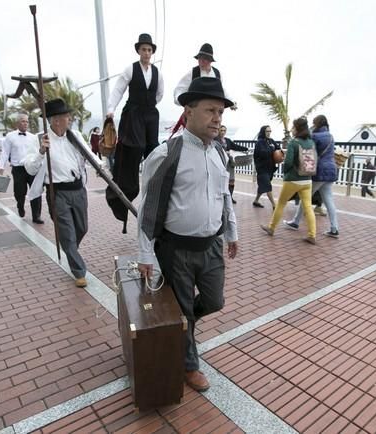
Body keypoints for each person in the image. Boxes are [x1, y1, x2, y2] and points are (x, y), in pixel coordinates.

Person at [137, 77, 238, 392]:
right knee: (182, 308)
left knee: (214, 300)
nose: (217, 118)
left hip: (211, 247)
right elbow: (148, 207)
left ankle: (181, 324)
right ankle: (189, 365)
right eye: (210, 110)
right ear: (189, 111)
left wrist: (232, 233)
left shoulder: (220, 154)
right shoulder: (168, 152)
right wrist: (145, 253)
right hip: (176, 250)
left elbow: (224, 198)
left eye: (220, 112)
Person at [25, 99, 97, 288]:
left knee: (82, 228)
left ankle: (69, 246)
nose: (70, 119)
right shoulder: (40, 138)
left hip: (78, 190)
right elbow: (30, 169)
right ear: (56, 120)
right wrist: (41, 152)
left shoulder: (76, 135)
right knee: (67, 232)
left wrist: (102, 167)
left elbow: (90, 155)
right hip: (58, 193)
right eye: (67, 116)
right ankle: (78, 271)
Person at [106, 33, 164, 229]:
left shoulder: (157, 73)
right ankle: (124, 191)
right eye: (143, 49)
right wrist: (110, 110)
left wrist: (149, 105)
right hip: (133, 114)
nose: (146, 53)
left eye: (149, 50)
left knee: (152, 151)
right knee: (133, 147)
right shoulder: (130, 69)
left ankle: (152, 188)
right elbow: (118, 90)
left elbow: (159, 94)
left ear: (152, 52)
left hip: (150, 115)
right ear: (138, 51)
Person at [260, 117, 317, 244]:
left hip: (293, 180)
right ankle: (312, 234)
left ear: (297, 128)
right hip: (307, 180)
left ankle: (271, 228)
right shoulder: (311, 142)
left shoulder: (294, 142)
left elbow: (289, 162)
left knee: (281, 203)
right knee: (308, 206)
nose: (291, 129)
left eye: (293, 127)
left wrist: (285, 171)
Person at [284, 115, 340, 237]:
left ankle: (295, 222)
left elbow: (307, 145)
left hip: (320, 171)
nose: (312, 125)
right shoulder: (330, 135)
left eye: (314, 123)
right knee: (329, 200)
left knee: (306, 197)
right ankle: (334, 228)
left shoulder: (315, 136)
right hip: (331, 170)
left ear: (317, 124)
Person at [0, 114, 44, 224]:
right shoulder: (10, 136)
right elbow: (5, 152)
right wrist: (1, 166)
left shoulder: (33, 137)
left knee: (36, 191)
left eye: (27, 121)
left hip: (31, 168)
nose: (25, 123)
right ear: (17, 123)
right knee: (19, 192)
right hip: (18, 169)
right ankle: (20, 206)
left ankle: (36, 216)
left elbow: (38, 152)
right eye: (23, 121)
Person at [216, 125, 248, 204]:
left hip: (230, 163)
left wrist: (246, 149)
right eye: (221, 130)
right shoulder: (214, 140)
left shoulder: (228, 140)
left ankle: (230, 197)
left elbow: (236, 146)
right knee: (222, 181)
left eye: (224, 130)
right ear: (218, 131)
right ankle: (222, 198)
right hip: (220, 164)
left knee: (231, 181)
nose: (223, 132)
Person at [252, 125, 281, 208]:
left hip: (270, 168)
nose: (269, 133)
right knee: (267, 186)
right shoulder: (259, 142)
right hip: (262, 168)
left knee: (263, 185)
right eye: (267, 131)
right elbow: (262, 153)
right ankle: (274, 205)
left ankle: (256, 200)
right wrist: (272, 149)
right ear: (263, 132)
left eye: (270, 131)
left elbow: (277, 148)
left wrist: (278, 150)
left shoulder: (271, 141)